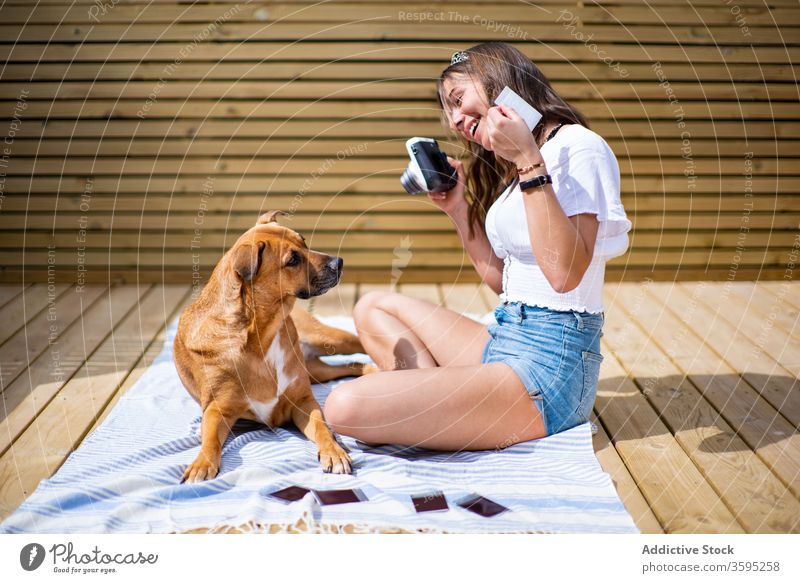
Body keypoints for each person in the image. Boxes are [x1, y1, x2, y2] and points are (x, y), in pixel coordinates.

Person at [323, 41, 631, 451]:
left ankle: (429, 402)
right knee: (372, 307)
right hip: (505, 337)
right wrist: (457, 209)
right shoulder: (520, 165)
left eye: (457, 99)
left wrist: (527, 161)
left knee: (343, 407)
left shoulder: (578, 148)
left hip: (550, 368)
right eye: (447, 111)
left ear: (498, 82)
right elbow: (505, 284)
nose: (453, 121)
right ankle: (437, 400)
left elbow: (565, 274)